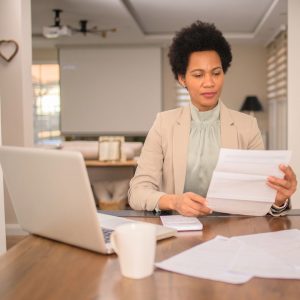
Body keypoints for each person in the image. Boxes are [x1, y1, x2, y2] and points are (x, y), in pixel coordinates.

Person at [128, 20, 297, 217]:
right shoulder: (164, 124)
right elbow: (137, 192)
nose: (209, 83)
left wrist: (278, 199)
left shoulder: (247, 126)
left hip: (233, 231)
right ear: (182, 79)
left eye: (216, 73)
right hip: (179, 230)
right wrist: (174, 201)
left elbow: (260, 199)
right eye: (198, 75)